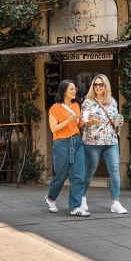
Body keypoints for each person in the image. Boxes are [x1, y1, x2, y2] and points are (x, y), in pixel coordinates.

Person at [80, 74, 127, 214]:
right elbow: (81, 123)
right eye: (95, 84)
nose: (98, 87)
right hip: (92, 142)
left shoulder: (112, 102)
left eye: (101, 84)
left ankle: (115, 202)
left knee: (114, 171)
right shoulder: (87, 102)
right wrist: (89, 122)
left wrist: (119, 123)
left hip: (111, 141)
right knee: (89, 172)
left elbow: (115, 122)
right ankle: (81, 199)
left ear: (106, 86)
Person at [44, 80, 89, 217]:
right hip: (61, 143)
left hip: (76, 142)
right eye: (71, 89)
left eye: (75, 89)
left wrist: (84, 122)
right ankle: (50, 198)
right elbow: (54, 129)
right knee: (61, 175)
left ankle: (75, 207)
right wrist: (68, 120)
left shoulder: (76, 106)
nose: (74, 91)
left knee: (78, 175)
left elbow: (77, 126)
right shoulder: (55, 108)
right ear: (64, 91)